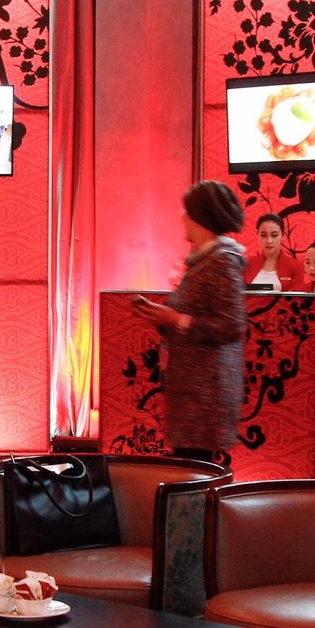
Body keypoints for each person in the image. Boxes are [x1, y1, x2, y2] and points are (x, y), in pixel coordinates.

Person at [131, 182, 248, 462]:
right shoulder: (203, 260)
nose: (182, 216)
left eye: (187, 210)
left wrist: (177, 320)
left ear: (201, 216)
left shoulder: (222, 261)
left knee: (195, 471)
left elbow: (232, 326)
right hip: (193, 390)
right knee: (190, 468)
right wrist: (163, 318)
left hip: (205, 393)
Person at [242, 213, 304, 291]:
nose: (269, 241)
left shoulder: (296, 266)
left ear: (282, 236)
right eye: (264, 235)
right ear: (258, 235)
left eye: (274, 235)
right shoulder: (246, 264)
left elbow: (296, 297)